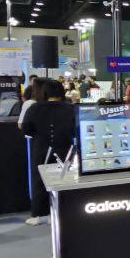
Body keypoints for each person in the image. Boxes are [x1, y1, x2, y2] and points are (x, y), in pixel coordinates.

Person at [20, 79, 76, 224]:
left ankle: (38, 215)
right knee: (63, 180)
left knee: (40, 181)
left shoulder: (34, 108)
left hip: (41, 149)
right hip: (65, 149)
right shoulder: (70, 108)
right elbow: (75, 130)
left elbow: (26, 129)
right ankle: (61, 212)